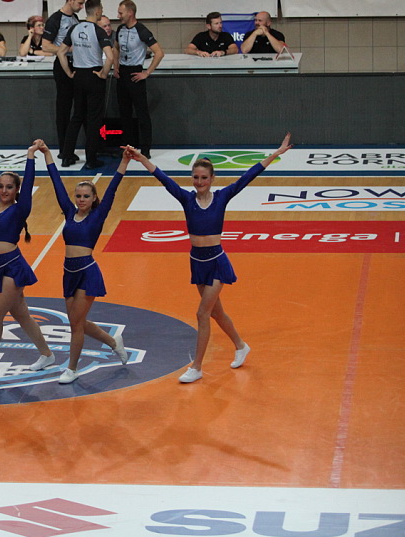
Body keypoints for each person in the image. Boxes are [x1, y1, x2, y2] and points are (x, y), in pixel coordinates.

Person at [125, 133, 293, 383]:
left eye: (204, 178)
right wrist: (141, 159)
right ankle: (240, 345)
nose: (199, 182)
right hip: (197, 263)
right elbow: (162, 178)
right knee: (216, 313)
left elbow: (249, 176)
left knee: (202, 314)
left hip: (216, 262)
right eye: (196, 177)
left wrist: (276, 154)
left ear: (212, 179)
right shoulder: (186, 198)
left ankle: (197, 367)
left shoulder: (222, 197)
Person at [40, 141, 130, 383]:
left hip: (87, 273)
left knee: (76, 325)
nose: (81, 200)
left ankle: (71, 368)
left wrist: (124, 161)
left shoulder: (98, 215)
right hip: (68, 273)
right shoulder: (69, 213)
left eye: (86, 196)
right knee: (76, 321)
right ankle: (113, 342)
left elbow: (113, 188)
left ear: (93, 198)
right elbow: (57, 184)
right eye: (78, 196)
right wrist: (48, 154)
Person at [0, 135, 55, 380]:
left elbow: (29, 183)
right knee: (22, 315)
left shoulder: (20, 209)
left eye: (9, 187)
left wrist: (31, 156)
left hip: (12, 268)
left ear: (16, 190)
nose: (4, 190)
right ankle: (47, 354)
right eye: (1, 186)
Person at [56, 0, 113, 170]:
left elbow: (61, 52)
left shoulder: (74, 28)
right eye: (101, 9)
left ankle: (66, 156)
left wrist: (69, 72)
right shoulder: (98, 31)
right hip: (94, 75)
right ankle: (91, 159)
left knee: (77, 116)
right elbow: (110, 57)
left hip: (78, 75)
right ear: (97, 11)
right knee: (94, 119)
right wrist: (103, 74)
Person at [112, 0, 164, 160]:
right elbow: (115, 47)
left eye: (121, 13)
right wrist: (115, 66)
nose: (118, 16)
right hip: (122, 73)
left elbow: (159, 53)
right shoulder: (120, 29)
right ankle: (128, 146)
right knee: (124, 113)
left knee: (142, 113)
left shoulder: (142, 30)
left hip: (136, 73)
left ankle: (146, 148)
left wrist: (146, 72)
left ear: (130, 13)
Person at [42, 0, 85, 165]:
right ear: (70, 0)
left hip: (76, 64)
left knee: (79, 107)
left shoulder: (75, 19)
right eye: (79, 3)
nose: (81, 7)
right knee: (64, 108)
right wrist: (65, 49)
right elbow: (46, 45)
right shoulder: (55, 19)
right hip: (62, 64)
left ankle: (70, 148)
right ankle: (63, 149)